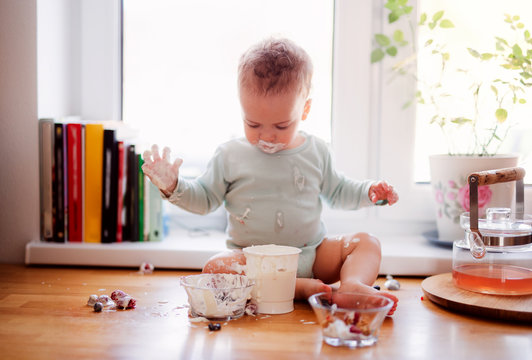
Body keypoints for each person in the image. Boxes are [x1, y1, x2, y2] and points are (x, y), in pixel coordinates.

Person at [142, 37, 399, 315]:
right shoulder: (229, 155)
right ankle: (298, 288)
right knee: (215, 268)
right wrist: (173, 186)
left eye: (281, 125)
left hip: (311, 256)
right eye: (252, 123)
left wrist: (369, 192)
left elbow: (338, 192)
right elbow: (204, 199)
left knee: (367, 242)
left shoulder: (317, 151)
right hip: (252, 263)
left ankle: (351, 285)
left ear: (305, 109)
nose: (266, 135)